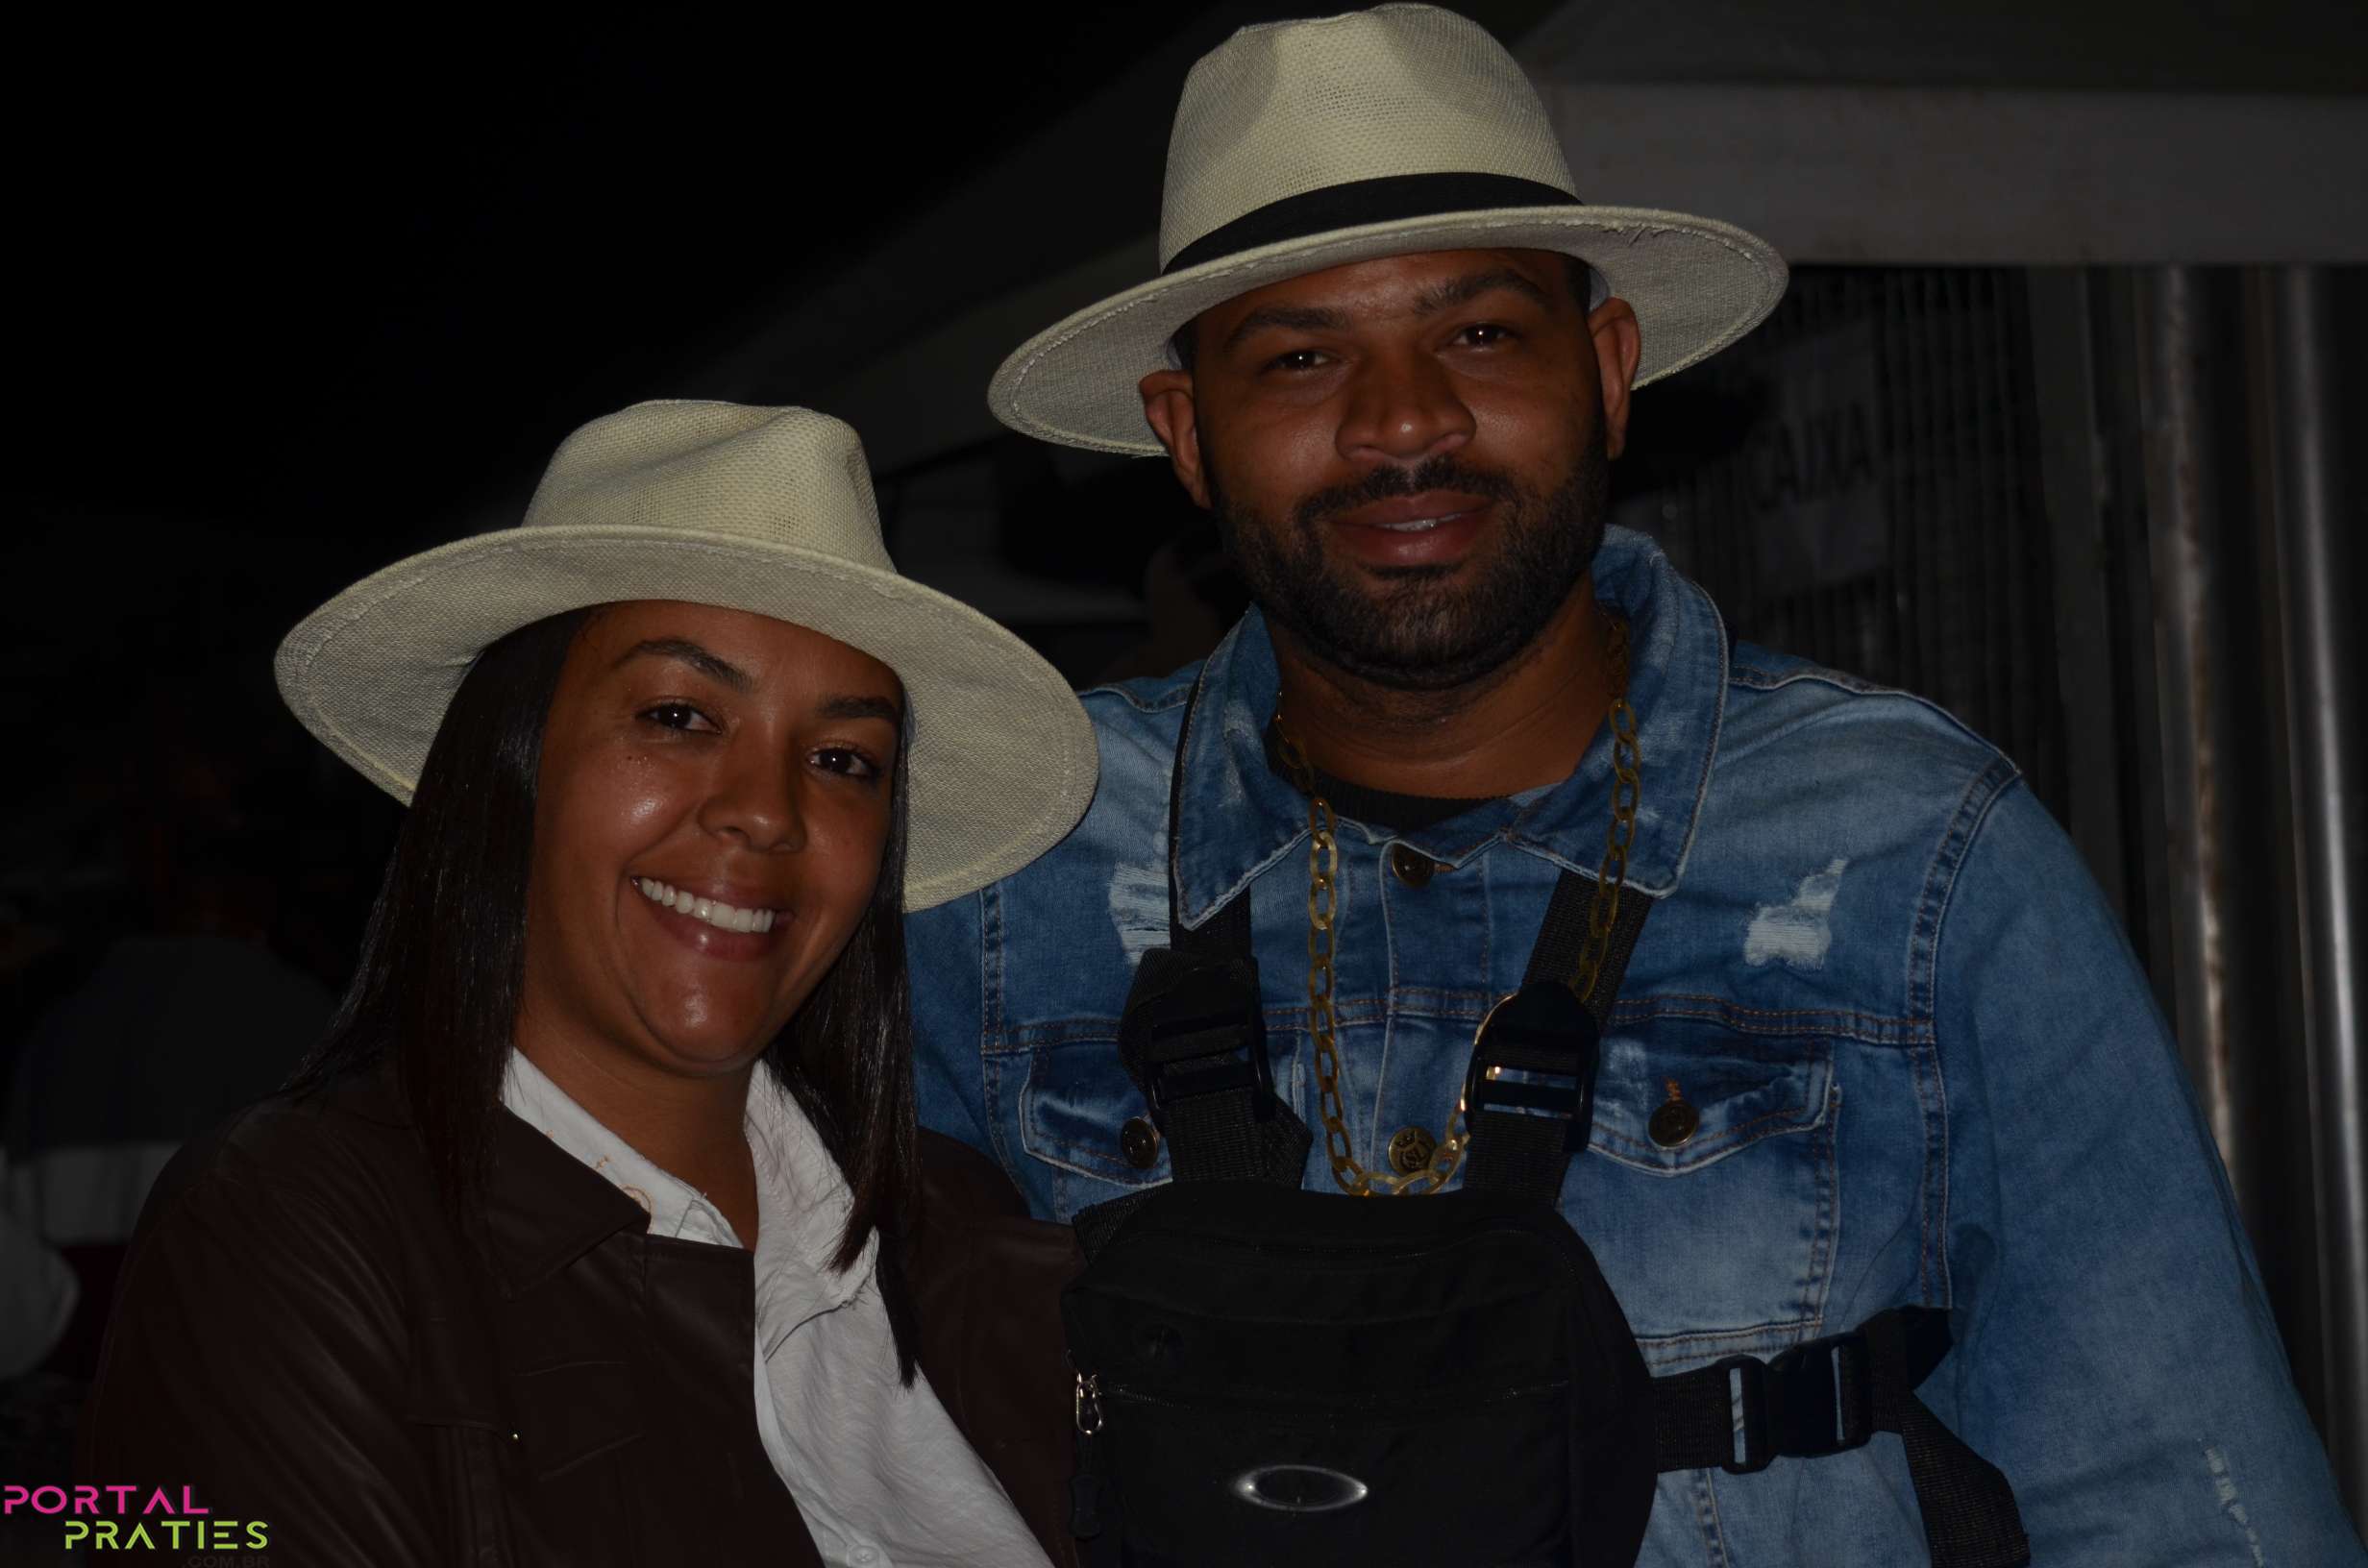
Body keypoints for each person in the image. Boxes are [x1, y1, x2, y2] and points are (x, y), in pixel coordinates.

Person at [906, 7, 2366, 1562]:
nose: (1402, 422)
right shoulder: (1016, 867)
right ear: (1186, 434)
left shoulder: (1909, 850)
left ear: (1606, 370)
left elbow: (2178, 1495)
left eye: (1479, 334)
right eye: (1301, 357)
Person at [80, 402, 1094, 1566]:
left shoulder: (955, 1219)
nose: (768, 812)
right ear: (509, 767)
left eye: (841, 760)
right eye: (678, 716)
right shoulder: (290, 1225)